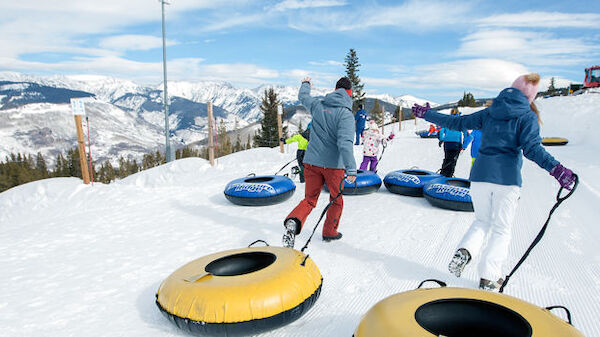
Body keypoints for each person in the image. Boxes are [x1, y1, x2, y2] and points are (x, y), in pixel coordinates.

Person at [412, 73, 576, 291]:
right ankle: (489, 277)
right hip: (506, 180)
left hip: (479, 176)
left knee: (481, 221)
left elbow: (457, 122)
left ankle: (465, 251)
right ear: (530, 97)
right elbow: (533, 149)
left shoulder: (490, 112)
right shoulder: (527, 117)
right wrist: (557, 170)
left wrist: (428, 114)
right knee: (501, 229)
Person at [282, 77, 357, 248]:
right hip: (334, 167)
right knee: (336, 200)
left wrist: (306, 84)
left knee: (310, 199)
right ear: (349, 93)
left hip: (312, 162)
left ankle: (294, 220)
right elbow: (345, 144)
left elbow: (303, 97)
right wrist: (351, 170)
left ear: (335, 89)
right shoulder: (345, 114)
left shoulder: (318, 105)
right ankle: (330, 232)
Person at [438, 108, 472, 177]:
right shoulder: (460, 122)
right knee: (453, 161)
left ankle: (442, 175)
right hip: (456, 144)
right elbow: (467, 136)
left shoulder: (448, 120)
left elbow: (441, 131)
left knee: (447, 159)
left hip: (447, 143)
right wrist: (464, 146)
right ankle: (449, 177)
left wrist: (441, 139)